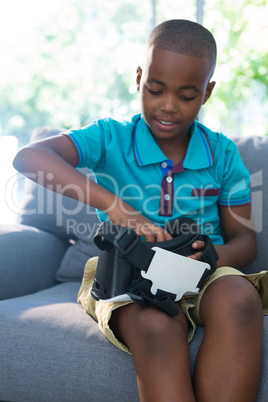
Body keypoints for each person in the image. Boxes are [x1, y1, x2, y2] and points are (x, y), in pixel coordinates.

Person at [13, 19, 264, 402]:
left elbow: (245, 241)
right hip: (128, 271)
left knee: (239, 299)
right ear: (138, 78)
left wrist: (208, 256)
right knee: (157, 323)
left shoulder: (223, 154)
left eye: (186, 95)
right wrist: (115, 206)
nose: (168, 106)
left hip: (204, 271)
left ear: (207, 92)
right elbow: (29, 158)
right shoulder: (109, 137)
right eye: (156, 89)